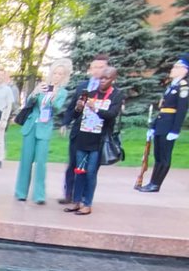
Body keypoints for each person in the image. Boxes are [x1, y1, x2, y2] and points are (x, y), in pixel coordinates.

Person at [64, 66, 123, 216]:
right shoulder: (90, 92)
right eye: (101, 78)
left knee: (90, 172)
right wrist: (78, 108)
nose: (102, 81)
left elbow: (112, 114)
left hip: (98, 140)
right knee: (79, 171)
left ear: (113, 79)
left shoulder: (116, 95)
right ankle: (76, 201)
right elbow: (78, 114)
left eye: (106, 78)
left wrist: (95, 108)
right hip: (83, 136)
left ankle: (87, 203)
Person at [16, 59, 73, 204]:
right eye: (55, 73)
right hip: (31, 125)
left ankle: (39, 195)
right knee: (26, 161)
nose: (57, 76)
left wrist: (53, 100)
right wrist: (35, 93)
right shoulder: (42, 86)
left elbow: (57, 109)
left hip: (44, 127)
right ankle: (21, 192)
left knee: (41, 163)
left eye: (60, 74)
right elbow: (29, 103)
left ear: (64, 76)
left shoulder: (62, 92)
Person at [59, 54, 110, 203]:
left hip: (97, 135)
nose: (97, 70)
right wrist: (65, 122)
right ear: (90, 69)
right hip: (79, 132)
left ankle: (84, 198)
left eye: (101, 67)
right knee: (73, 164)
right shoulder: (83, 86)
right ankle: (69, 194)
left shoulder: (110, 90)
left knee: (90, 169)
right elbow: (72, 108)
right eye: (95, 67)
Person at [138, 54, 189, 193]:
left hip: (169, 127)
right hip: (162, 125)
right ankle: (152, 182)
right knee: (158, 155)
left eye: (176, 67)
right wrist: (153, 126)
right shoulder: (172, 86)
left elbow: (181, 111)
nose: (173, 69)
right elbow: (163, 110)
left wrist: (175, 130)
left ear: (185, 70)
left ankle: (156, 184)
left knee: (164, 157)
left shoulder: (183, 87)